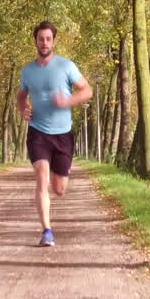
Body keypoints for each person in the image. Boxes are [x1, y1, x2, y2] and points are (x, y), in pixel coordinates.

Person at [16, 21, 92, 247]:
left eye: (48, 39)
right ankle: (46, 231)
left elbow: (87, 91)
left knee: (59, 189)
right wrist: (24, 109)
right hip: (38, 131)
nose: (44, 43)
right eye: (41, 39)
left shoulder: (66, 66)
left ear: (54, 41)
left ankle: (54, 186)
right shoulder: (27, 71)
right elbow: (21, 96)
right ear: (36, 41)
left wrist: (67, 101)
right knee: (41, 177)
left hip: (63, 134)